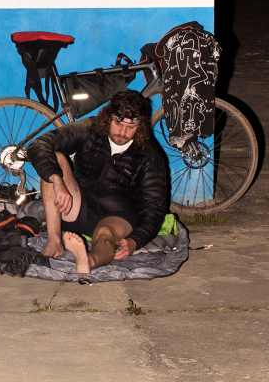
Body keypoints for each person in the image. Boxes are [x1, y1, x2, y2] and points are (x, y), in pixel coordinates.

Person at [26, 90, 169, 275]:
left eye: (131, 127)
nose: (122, 133)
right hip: (78, 205)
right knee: (56, 158)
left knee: (106, 235)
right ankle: (54, 242)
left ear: (140, 125)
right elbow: (38, 145)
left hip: (119, 214)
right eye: (118, 124)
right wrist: (56, 179)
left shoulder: (150, 155)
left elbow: (155, 208)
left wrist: (135, 241)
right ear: (109, 117)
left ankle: (88, 261)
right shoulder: (89, 129)